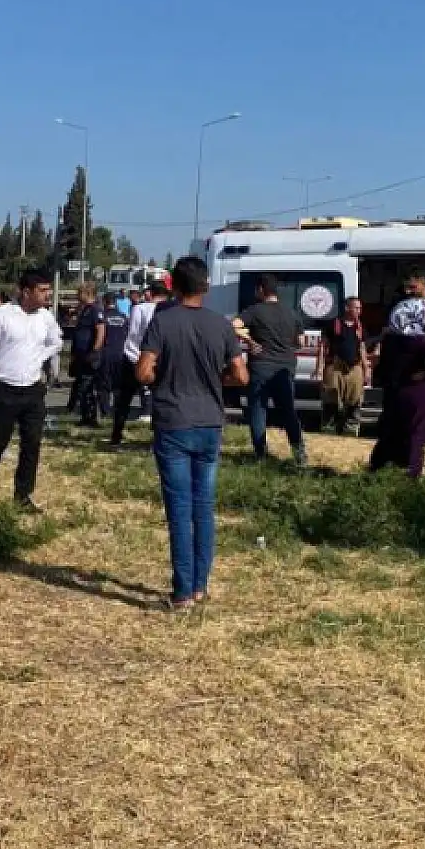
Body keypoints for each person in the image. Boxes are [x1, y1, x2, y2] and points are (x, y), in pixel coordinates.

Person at [136, 257, 247, 609]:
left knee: (179, 510)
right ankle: (200, 585)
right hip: (210, 422)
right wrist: (217, 380)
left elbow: (142, 372)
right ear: (207, 287)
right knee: (204, 507)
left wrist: (162, 377)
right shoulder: (221, 325)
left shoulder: (163, 321)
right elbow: (241, 376)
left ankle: (182, 591)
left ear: (174, 286)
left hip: (173, 420)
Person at [0, 270, 63, 511]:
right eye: (42, 291)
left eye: (48, 291)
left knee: (31, 444)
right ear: (26, 292)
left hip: (33, 390)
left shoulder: (46, 317)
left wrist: (40, 355)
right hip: (4, 389)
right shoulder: (3, 315)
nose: (47, 295)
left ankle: (22, 496)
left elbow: (57, 341)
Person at [368, 292, 425, 478]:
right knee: (417, 433)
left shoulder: (390, 338)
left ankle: (379, 467)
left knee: (393, 429)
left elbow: (383, 364)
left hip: (396, 390)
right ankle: (411, 473)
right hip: (419, 390)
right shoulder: (421, 339)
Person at [239, 274, 306, 465]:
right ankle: (299, 453)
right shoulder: (291, 312)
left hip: (261, 367)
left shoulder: (254, 311)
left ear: (261, 289)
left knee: (258, 411)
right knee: (288, 412)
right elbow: (300, 342)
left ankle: (260, 454)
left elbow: (234, 326)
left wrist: (250, 341)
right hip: (284, 368)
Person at [111, 281, 166, 445]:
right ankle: (158, 436)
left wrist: (134, 356)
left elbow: (133, 334)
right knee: (159, 399)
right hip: (157, 359)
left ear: (150, 293)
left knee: (124, 398)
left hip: (135, 356)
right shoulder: (169, 310)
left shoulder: (139, 309)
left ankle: (117, 433)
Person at [315, 296, 369, 436]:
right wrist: (319, 368)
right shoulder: (333, 324)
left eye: (360, 308)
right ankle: (329, 427)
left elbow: (362, 348)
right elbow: (323, 346)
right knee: (331, 398)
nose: (359, 310)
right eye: (356, 307)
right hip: (335, 367)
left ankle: (350, 429)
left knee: (355, 399)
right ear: (347, 308)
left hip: (354, 368)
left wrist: (366, 369)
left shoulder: (360, 327)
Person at [68, 283, 105, 426]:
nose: (77, 296)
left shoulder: (95, 310)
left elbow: (100, 331)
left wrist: (95, 350)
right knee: (82, 387)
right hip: (80, 355)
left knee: (87, 386)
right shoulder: (84, 310)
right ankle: (85, 416)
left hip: (90, 355)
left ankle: (91, 417)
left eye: (79, 293)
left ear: (86, 293)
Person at [97, 291, 129, 419]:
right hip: (120, 353)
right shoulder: (123, 317)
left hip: (106, 353)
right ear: (115, 302)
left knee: (104, 384)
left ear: (105, 302)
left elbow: (100, 335)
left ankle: (105, 411)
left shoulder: (102, 316)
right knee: (118, 384)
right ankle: (118, 409)